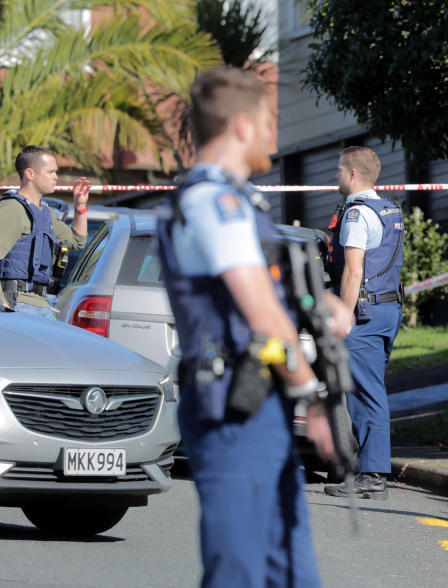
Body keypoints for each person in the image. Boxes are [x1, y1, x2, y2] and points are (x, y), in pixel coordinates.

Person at [156, 67, 340, 587]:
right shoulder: (214, 202)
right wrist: (313, 395)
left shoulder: (235, 200)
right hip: (232, 407)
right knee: (238, 570)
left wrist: (322, 306)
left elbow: (266, 299)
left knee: (289, 568)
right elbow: (261, 312)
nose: (272, 137)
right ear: (240, 126)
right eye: (267, 122)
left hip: (256, 401)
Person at [323, 146, 404, 500]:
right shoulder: (389, 208)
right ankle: (368, 469)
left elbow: (354, 271)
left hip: (365, 315)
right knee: (366, 388)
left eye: (339, 170)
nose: (335, 176)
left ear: (353, 174)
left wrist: (342, 314)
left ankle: (372, 474)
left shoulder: (356, 215)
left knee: (367, 392)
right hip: (388, 311)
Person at [0, 145, 91, 317]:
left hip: (41, 304)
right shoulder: (11, 209)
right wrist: (2, 304)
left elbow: (77, 241)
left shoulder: (44, 213)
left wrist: (80, 206)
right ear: (30, 174)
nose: (56, 177)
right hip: (15, 304)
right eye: (50, 172)